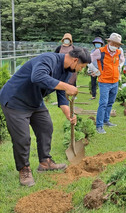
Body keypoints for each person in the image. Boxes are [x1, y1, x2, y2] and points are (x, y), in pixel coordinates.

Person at [0, 48, 90, 187]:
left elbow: (61, 96)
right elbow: (37, 77)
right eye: (81, 67)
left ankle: (45, 162)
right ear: (75, 60)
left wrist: (69, 114)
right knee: (22, 138)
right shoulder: (48, 59)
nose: (79, 70)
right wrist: (66, 86)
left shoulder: (66, 71)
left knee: (46, 127)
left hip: (35, 101)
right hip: (15, 100)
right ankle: (24, 169)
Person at [89, 33, 123, 134]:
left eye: (117, 45)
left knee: (110, 102)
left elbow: (122, 61)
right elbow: (88, 60)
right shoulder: (100, 51)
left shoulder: (118, 52)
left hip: (115, 81)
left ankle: (106, 120)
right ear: (109, 42)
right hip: (104, 82)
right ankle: (99, 125)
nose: (115, 46)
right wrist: (95, 70)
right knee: (103, 103)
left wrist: (119, 67)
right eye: (114, 44)